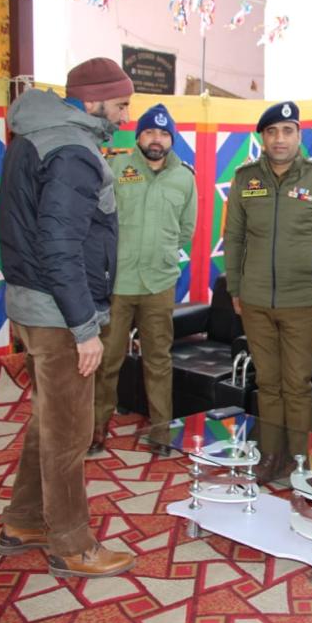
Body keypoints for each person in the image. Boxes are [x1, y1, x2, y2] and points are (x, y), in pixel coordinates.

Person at [0, 57, 137, 578]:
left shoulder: (35, 133)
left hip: (35, 304)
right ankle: (71, 543)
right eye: (121, 104)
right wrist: (84, 329)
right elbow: (60, 246)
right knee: (70, 432)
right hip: (60, 313)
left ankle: (25, 520)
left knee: (49, 419)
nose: (126, 115)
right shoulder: (73, 150)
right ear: (93, 100)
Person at [222, 101, 312, 478]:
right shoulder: (246, 178)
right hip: (255, 298)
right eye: (272, 131)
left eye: (287, 131)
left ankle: (298, 460)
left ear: (299, 135)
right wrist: (235, 288)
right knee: (268, 382)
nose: (279, 139)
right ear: (262, 136)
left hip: (302, 300)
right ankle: (269, 457)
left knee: (297, 384)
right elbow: (235, 237)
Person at [90, 103, 198, 456]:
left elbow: (186, 229)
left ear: (172, 139)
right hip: (118, 284)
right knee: (107, 362)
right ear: (138, 136)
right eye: (151, 132)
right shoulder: (115, 167)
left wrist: (160, 252)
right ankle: (94, 432)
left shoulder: (185, 176)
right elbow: (100, 222)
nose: (157, 139)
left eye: (164, 134)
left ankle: (161, 436)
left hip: (159, 284)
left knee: (159, 361)